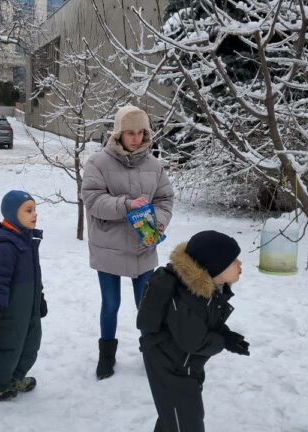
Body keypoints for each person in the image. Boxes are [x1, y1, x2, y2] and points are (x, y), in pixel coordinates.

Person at [82, 104, 174, 379]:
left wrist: (154, 221)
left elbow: (165, 200)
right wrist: (127, 205)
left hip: (142, 247)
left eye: (140, 132)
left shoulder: (154, 166)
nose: (135, 138)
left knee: (146, 306)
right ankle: (106, 356)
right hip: (109, 245)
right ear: (118, 133)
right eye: (129, 132)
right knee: (110, 304)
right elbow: (93, 199)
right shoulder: (98, 163)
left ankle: (151, 354)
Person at [137, 231, 250, 432]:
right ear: (216, 267)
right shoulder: (186, 299)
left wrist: (227, 336)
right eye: (233, 260)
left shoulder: (208, 289)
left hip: (184, 366)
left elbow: (204, 323)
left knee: (174, 419)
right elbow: (195, 342)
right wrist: (222, 341)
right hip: (171, 370)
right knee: (187, 424)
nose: (240, 264)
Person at [0, 191, 46, 401]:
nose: (34, 214)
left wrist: (40, 298)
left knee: (31, 345)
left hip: (29, 308)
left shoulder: (27, 238)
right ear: (12, 214)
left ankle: (15, 377)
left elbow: (35, 274)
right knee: (7, 348)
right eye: (28, 210)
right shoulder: (6, 246)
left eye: (35, 209)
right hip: (10, 311)